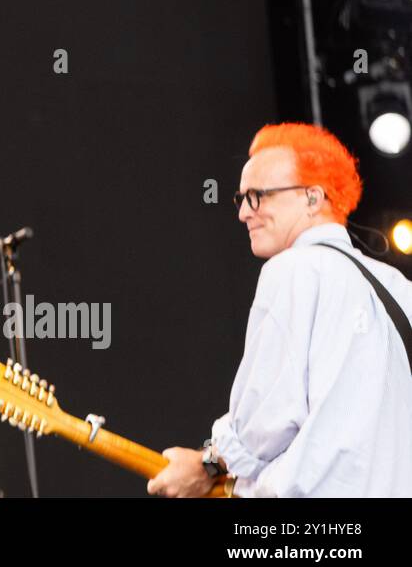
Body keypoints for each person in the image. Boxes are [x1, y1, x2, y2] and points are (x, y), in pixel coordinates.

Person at [149, 122, 412, 497]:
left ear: (313, 197)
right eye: (242, 198)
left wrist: (204, 464)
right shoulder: (398, 286)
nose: (244, 213)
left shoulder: (294, 269)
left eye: (259, 195)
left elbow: (262, 427)